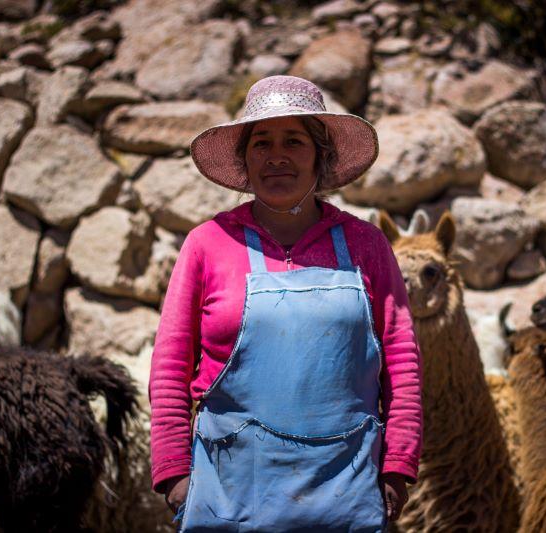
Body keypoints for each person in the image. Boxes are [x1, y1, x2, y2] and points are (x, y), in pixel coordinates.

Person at [149, 75, 422, 532]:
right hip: (228, 490)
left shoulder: (365, 246)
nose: (276, 156)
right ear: (245, 160)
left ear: (321, 155)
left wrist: (397, 465)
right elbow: (171, 364)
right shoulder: (207, 244)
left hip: (346, 490)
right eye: (261, 143)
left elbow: (402, 362)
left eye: (294, 140)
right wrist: (174, 472)